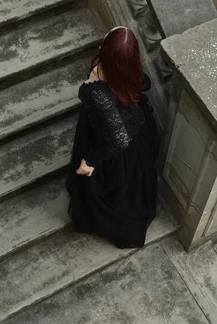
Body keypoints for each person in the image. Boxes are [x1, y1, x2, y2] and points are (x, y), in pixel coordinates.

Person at [66, 26, 159, 249]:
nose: (101, 43)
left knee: (105, 192)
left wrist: (90, 161)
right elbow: (144, 84)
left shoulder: (97, 93)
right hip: (136, 130)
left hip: (116, 147)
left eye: (105, 41)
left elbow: (117, 141)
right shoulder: (130, 67)